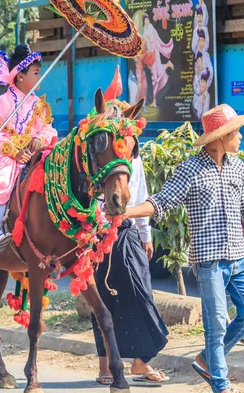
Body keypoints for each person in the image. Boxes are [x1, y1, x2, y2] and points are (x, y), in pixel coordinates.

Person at [111, 104, 244, 393]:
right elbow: (160, 201)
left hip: (239, 257)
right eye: (235, 131)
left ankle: (205, 360)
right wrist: (125, 213)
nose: (240, 137)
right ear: (220, 136)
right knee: (216, 327)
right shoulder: (190, 169)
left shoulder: (238, 167)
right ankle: (220, 385)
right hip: (209, 261)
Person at [92, 155, 169, 385]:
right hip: (98, 236)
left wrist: (145, 235)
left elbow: (140, 194)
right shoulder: (95, 158)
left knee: (141, 295)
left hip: (128, 234)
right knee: (102, 299)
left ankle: (140, 361)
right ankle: (104, 366)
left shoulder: (135, 160)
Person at [0, 44, 57, 252]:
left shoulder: (38, 104)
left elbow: (48, 130)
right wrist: (14, 151)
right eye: (36, 73)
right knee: (2, 181)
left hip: (34, 154)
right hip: (7, 156)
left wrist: (40, 139)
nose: (39, 77)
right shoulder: (2, 103)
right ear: (20, 76)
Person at [142, 13, 174, 107]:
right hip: (151, 55)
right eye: (145, 20)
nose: (147, 21)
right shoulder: (145, 30)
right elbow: (145, 42)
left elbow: (153, 42)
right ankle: (154, 101)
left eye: (147, 20)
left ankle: (167, 64)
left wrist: (149, 49)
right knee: (154, 79)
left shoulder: (151, 29)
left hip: (154, 55)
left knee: (156, 76)